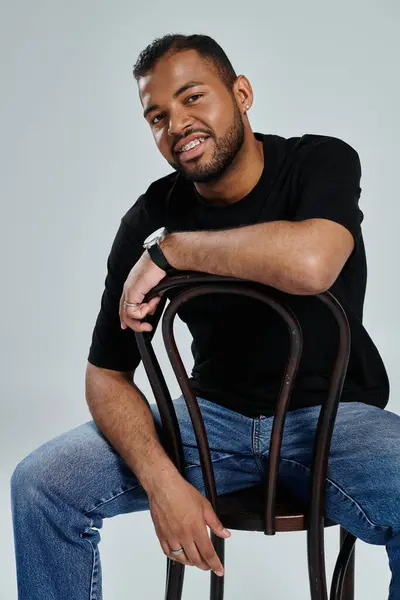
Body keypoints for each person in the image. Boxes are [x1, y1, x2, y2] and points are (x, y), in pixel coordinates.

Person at [10, 33, 400, 600]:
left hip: (335, 419)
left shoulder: (320, 161)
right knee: (41, 485)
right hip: (206, 420)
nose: (178, 125)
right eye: (157, 115)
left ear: (241, 93)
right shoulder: (151, 212)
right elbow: (106, 372)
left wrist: (173, 253)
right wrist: (161, 481)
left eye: (194, 97)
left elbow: (313, 262)